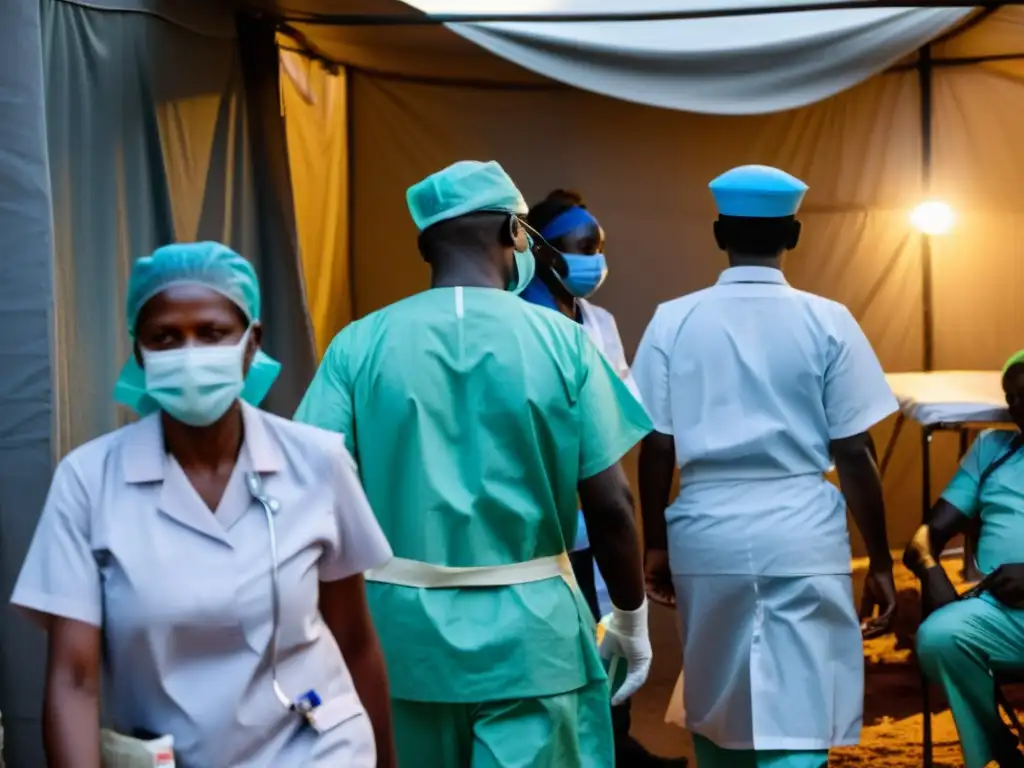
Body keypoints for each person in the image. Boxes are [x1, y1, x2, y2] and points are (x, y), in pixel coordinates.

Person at [293, 160, 654, 768]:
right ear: (517, 233)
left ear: (425, 245)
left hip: (400, 641)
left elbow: (309, 491)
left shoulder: (360, 343)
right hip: (534, 641)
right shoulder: (563, 342)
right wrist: (630, 618)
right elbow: (613, 506)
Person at [11, 243, 395, 768]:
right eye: (165, 337)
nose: (190, 353)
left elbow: (353, 640)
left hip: (316, 747)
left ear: (251, 342)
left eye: (212, 333)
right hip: (172, 756)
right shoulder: (88, 481)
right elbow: (74, 680)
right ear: (139, 351)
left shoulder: (317, 461)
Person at [632, 165, 899, 768]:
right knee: (802, 693)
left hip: (705, 529)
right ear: (795, 235)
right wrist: (879, 558)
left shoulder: (674, 319)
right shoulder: (829, 320)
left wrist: (656, 544)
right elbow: (854, 451)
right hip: (801, 530)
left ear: (719, 232)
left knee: (715, 687)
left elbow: (655, 445)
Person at [522, 189, 687, 767]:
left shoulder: (601, 321)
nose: (597, 258)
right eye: (584, 246)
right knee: (554, 658)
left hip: (598, 519)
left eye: (600, 246)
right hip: (541, 527)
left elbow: (623, 415)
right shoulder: (521, 322)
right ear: (543, 252)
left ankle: (615, 743)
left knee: (610, 641)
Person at [905, 351, 1024, 768]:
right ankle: (998, 744)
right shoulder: (993, 448)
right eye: (1013, 397)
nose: (1019, 407)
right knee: (939, 636)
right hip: (1002, 615)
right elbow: (925, 536)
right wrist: (931, 572)